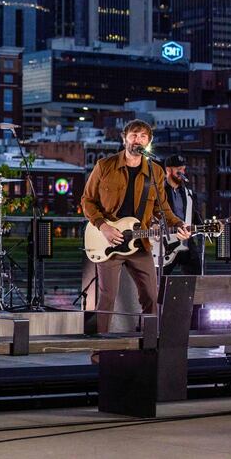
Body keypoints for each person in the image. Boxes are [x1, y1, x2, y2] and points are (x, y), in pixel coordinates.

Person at [81, 119, 190, 339]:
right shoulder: (105, 165)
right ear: (124, 138)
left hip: (140, 242)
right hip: (109, 241)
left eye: (142, 137)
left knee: (151, 295)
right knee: (107, 297)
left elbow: (163, 209)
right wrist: (103, 227)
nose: (137, 140)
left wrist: (178, 225)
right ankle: (98, 352)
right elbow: (87, 201)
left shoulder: (155, 171)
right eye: (133, 135)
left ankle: (150, 345)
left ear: (148, 142)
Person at [158, 154, 202, 275]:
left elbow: (198, 220)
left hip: (187, 245)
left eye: (183, 169)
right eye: (179, 170)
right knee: (159, 283)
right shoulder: (158, 192)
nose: (182, 172)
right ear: (168, 170)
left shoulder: (190, 194)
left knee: (195, 281)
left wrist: (211, 227)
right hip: (164, 246)